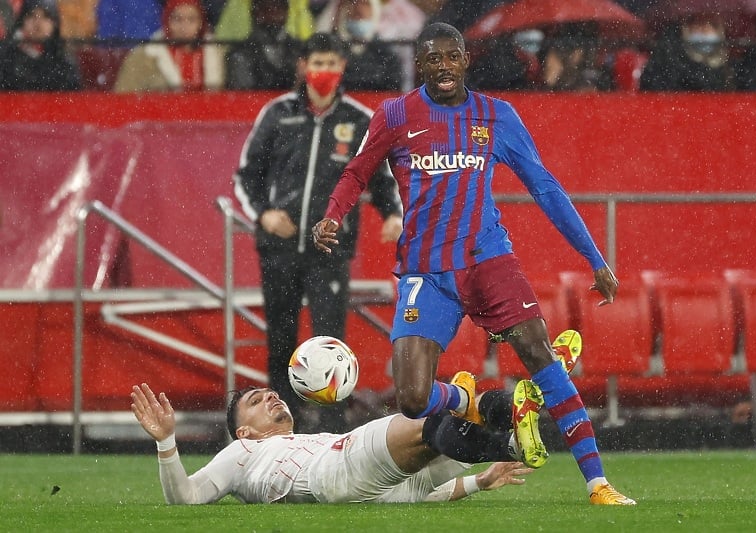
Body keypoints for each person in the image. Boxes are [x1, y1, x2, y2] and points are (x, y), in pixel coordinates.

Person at [312, 22, 635, 505]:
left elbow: (545, 188)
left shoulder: (496, 115)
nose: (443, 66)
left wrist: (595, 258)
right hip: (426, 271)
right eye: (432, 59)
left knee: (540, 353)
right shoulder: (396, 115)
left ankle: (598, 483)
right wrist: (332, 215)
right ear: (419, 65)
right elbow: (357, 172)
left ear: (465, 59)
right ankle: (474, 402)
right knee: (412, 399)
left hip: (488, 259)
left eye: (451, 56)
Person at [233, 32, 403, 434]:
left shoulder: (360, 120)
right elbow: (245, 175)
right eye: (317, 63)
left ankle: (331, 432)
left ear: (343, 66)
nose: (324, 71)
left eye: (331, 63)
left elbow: (381, 179)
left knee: (330, 344)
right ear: (302, 66)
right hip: (279, 247)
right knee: (281, 340)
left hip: (330, 247)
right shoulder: (276, 113)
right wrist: (264, 215)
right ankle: (279, 431)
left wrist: (393, 215)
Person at [130, 380, 537, 504]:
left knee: (440, 439)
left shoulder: (307, 438)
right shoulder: (243, 452)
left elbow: (422, 494)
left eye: (271, 393)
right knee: (431, 420)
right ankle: (528, 394)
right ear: (245, 431)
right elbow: (186, 499)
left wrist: (481, 482)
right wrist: (167, 441)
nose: (272, 396)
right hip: (328, 471)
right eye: (257, 402)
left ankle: (511, 444)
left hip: (370, 492)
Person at [113, 0, 225, 93]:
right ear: (167, 21)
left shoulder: (218, 54)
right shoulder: (144, 57)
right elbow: (123, 97)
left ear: (201, 23)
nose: (184, 27)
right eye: (178, 19)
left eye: (191, 19)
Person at [317, 0, 404, 91]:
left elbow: (393, 90)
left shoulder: (386, 52)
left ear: (375, 10)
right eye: (353, 2)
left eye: (365, 3)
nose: (358, 8)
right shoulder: (330, 47)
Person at [639, 14, 736, 92]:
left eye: (713, 24)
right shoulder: (668, 57)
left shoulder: (733, 67)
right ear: (684, 29)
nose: (705, 30)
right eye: (696, 22)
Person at [0, 0, 82, 91]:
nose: (38, 23)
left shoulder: (63, 57)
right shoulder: (6, 54)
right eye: (32, 15)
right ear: (22, 20)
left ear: (55, 23)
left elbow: (73, 95)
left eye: (46, 16)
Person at [225, 0, 301, 91]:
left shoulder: (300, 49)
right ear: (255, 12)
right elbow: (243, 96)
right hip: (254, 103)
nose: (273, 12)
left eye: (278, 7)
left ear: (286, 11)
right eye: (266, 8)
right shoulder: (239, 53)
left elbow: (304, 92)